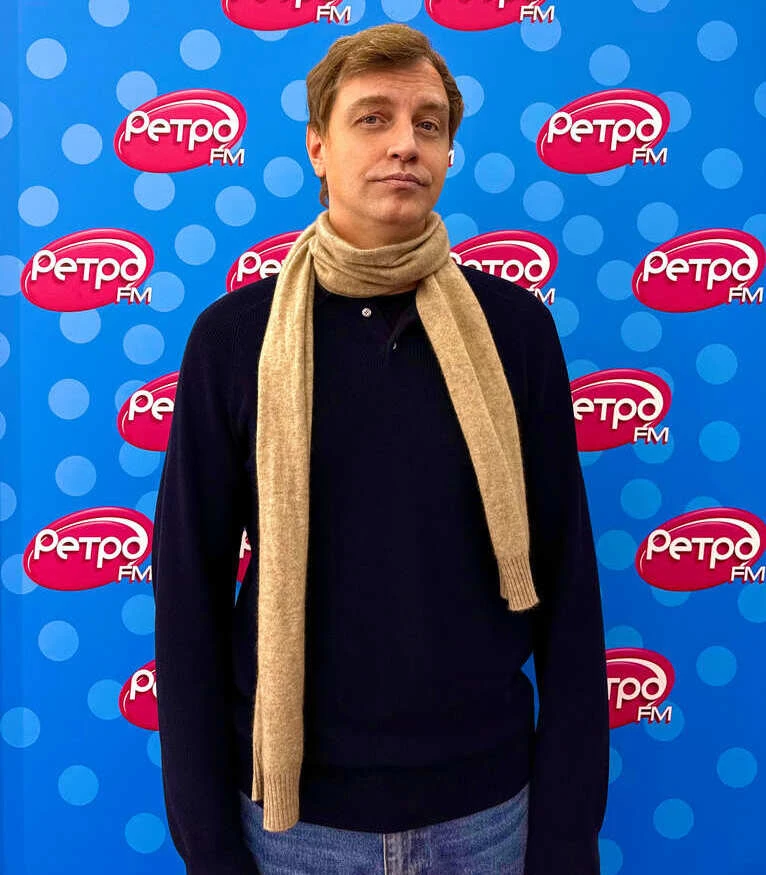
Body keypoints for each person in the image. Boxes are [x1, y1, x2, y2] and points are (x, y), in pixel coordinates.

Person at [152, 22, 609, 875]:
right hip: (294, 826)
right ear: (318, 147)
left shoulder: (515, 333)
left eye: (428, 123)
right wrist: (207, 843)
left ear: (447, 152)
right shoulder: (234, 341)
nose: (405, 143)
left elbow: (568, 588)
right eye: (373, 118)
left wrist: (567, 833)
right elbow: (187, 596)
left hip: (487, 815)